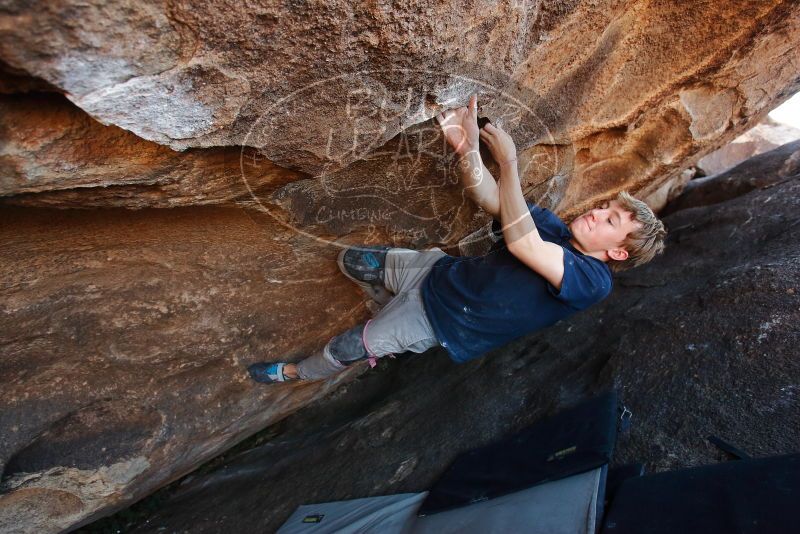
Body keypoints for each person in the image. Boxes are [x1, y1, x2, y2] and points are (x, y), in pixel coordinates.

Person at [248, 95, 666, 383]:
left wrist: (510, 161)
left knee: (348, 346)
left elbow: (524, 245)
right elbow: (488, 196)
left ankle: (295, 373)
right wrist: (466, 149)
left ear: (616, 251)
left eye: (610, 219)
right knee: (355, 261)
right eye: (604, 207)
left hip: (440, 319)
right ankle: (384, 302)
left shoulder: (593, 281)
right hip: (438, 272)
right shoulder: (555, 228)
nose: (596, 213)